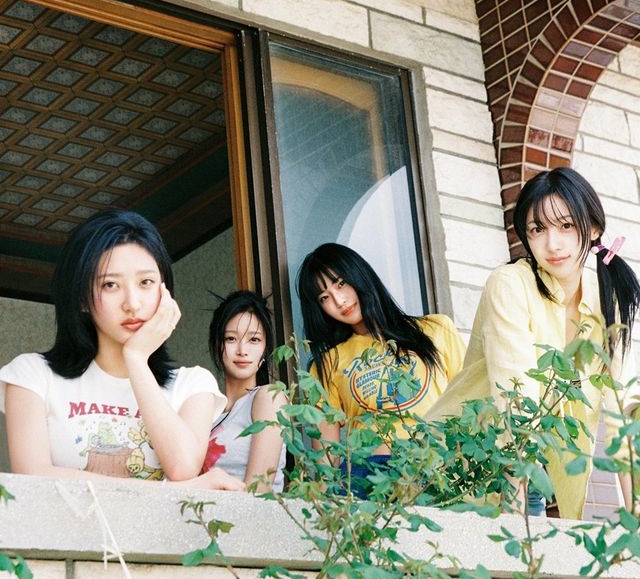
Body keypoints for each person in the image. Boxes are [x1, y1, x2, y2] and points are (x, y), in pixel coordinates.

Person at [431, 166, 640, 519]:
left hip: (533, 471)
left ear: (593, 228)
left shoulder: (607, 298)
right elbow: (515, 395)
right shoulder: (510, 284)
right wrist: (517, 518)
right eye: (537, 229)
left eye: (566, 225)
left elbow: (624, 406)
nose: (552, 244)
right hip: (460, 459)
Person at [0, 209, 244, 490]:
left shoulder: (192, 384)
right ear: (82, 298)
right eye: (110, 284)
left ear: (164, 291)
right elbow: (33, 477)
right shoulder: (33, 375)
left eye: (145, 282)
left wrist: (136, 359)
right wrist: (174, 492)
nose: (133, 303)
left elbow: (182, 467)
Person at [296, 243, 465, 487]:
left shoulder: (435, 329)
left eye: (341, 283)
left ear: (358, 274)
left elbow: (469, 402)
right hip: (370, 478)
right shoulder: (327, 364)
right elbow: (327, 462)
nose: (339, 300)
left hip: (438, 470)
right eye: (324, 297)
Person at [202, 291, 287, 492]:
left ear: (265, 349)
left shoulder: (268, 397)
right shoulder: (205, 409)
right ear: (216, 345)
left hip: (249, 512)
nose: (242, 350)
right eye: (231, 338)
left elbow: (258, 492)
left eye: (254, 340)